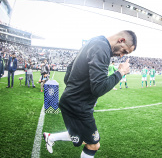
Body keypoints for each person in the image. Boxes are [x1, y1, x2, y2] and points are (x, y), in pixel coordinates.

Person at [43, 30, 137, 158]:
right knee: (93, 145)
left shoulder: (95, 41)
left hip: (74, 102)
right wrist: (120, 72)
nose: (121, 56)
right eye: (124, 51)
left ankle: (51, 137)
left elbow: (69, 70)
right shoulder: (102, 48)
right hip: (78, 106)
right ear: (121, 40)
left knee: (80, 135)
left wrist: (74, 89)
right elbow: (98, 89)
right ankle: (51, 137)